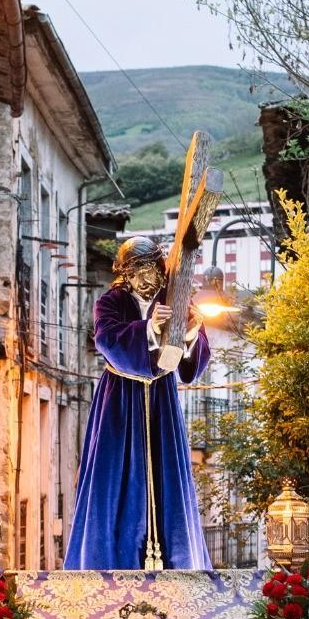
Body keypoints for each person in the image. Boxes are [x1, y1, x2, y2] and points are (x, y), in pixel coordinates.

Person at [65, 236, 212, 570]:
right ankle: (109, 561)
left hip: (162, 398)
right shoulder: (110, 302)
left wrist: (189, 332)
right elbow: (106, 339)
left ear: (160, 269)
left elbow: (191, 363)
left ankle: (177, 562)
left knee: (168, 479)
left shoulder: (174, 297)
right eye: (137, 272)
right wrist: (148, 327)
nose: (146, 279)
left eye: (150, 270)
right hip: (120, 398)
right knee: (113, 479)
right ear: (125, 274)